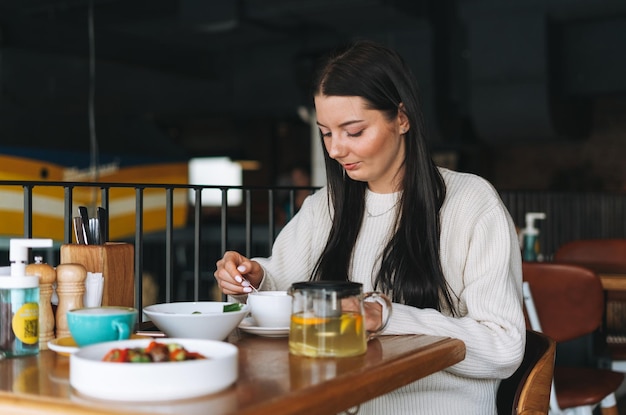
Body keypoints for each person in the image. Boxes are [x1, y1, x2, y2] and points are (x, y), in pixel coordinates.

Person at [214, 40, 525, 414]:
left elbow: (504, 346)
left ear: (402, 118)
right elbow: (280, 285)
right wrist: (253, 278)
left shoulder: (471, 202)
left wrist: (387, 317)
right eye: (326, 133)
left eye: (354, 131)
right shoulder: (327, 206)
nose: (335, 150)